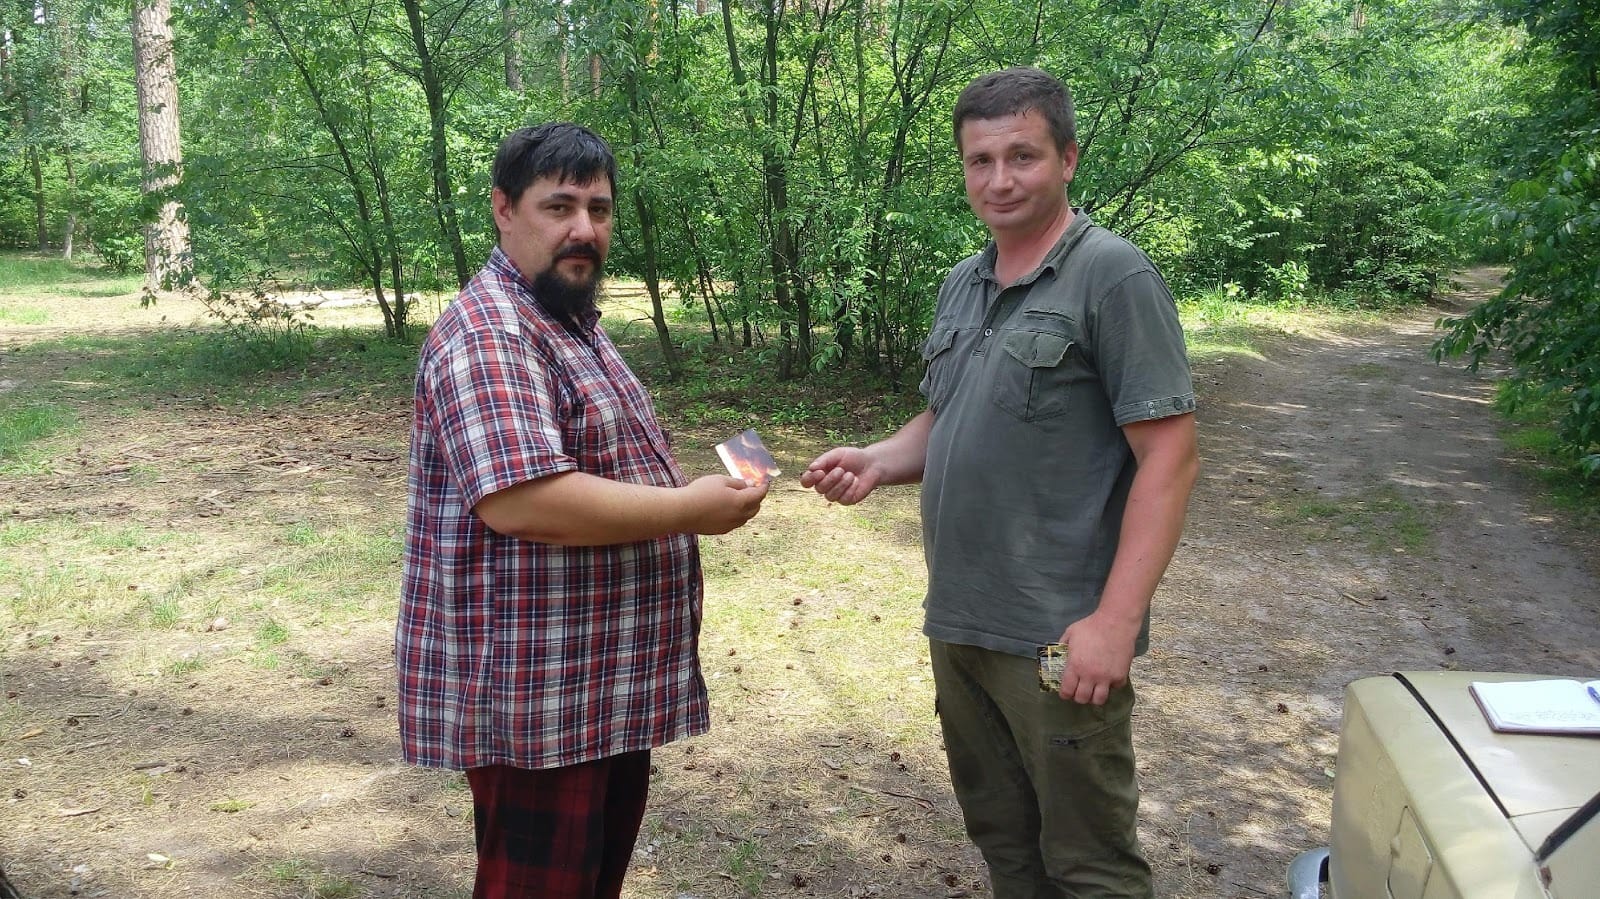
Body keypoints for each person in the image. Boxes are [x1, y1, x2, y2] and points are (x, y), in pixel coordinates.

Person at [802, 68, 1199, 898]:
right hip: (961, 620)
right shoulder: (964, 281)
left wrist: (1114, 621)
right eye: (980, 160)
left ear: (1068, 159)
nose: (1000, 179)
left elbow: (1170, 456)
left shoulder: (1114, 277)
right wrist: (878, 458)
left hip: (1058, 640)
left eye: (1023, 156)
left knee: (1090, 864)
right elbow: (946, 416)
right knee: (1006, 842)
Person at [397, 122, 768, 899]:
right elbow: (523, 499)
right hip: (535, 695)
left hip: (592, 684)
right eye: (559, 206)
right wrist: (686, 508)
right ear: (504, 208)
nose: (584, 229)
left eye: (598, 210)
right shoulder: (491, 330)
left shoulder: (563, 319)